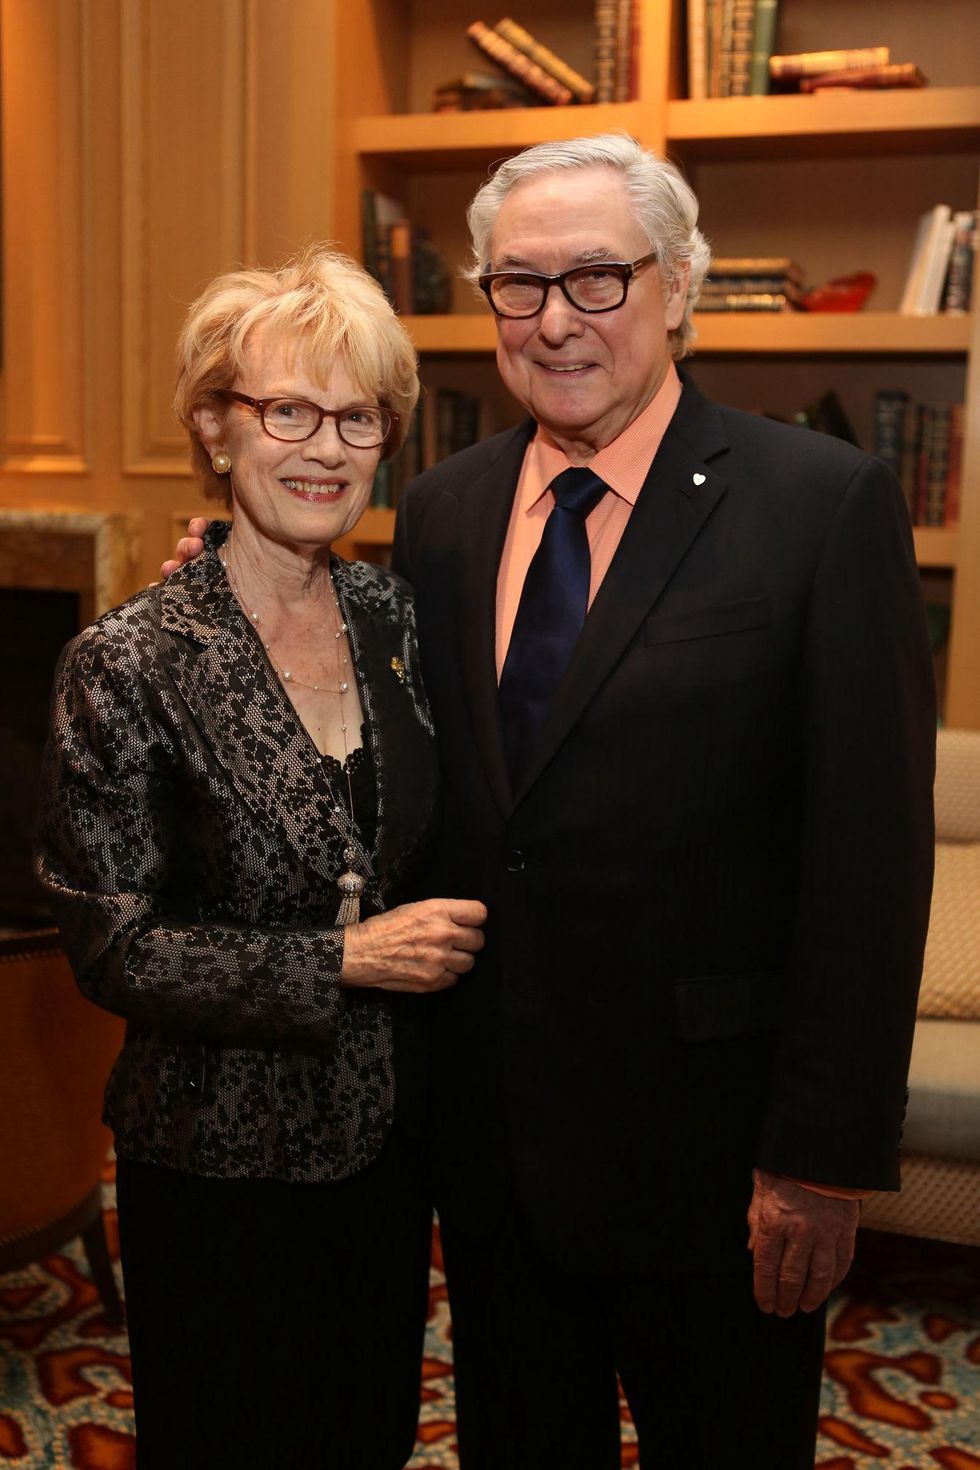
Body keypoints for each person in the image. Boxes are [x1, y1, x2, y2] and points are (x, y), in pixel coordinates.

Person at [166, 135, 935, 1469]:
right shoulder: (448, 510)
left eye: (597, 275)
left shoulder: (822, 501)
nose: (556, 318)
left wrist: (818, 1157)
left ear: (681, 284)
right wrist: (230, 588)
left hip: (714, 1156)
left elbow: (869, 859)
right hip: (492, 1143)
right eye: (519, 284)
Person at [36, 245, 486, 1470]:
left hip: (386, 1153)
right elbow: (111, 944)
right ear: (213, 428)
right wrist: (338, 961)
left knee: (363, 1434)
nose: (324, 447)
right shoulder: (126, 661)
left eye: (356, 417)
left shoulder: (398, 620)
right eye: (287, 409)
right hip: (215, 1156)